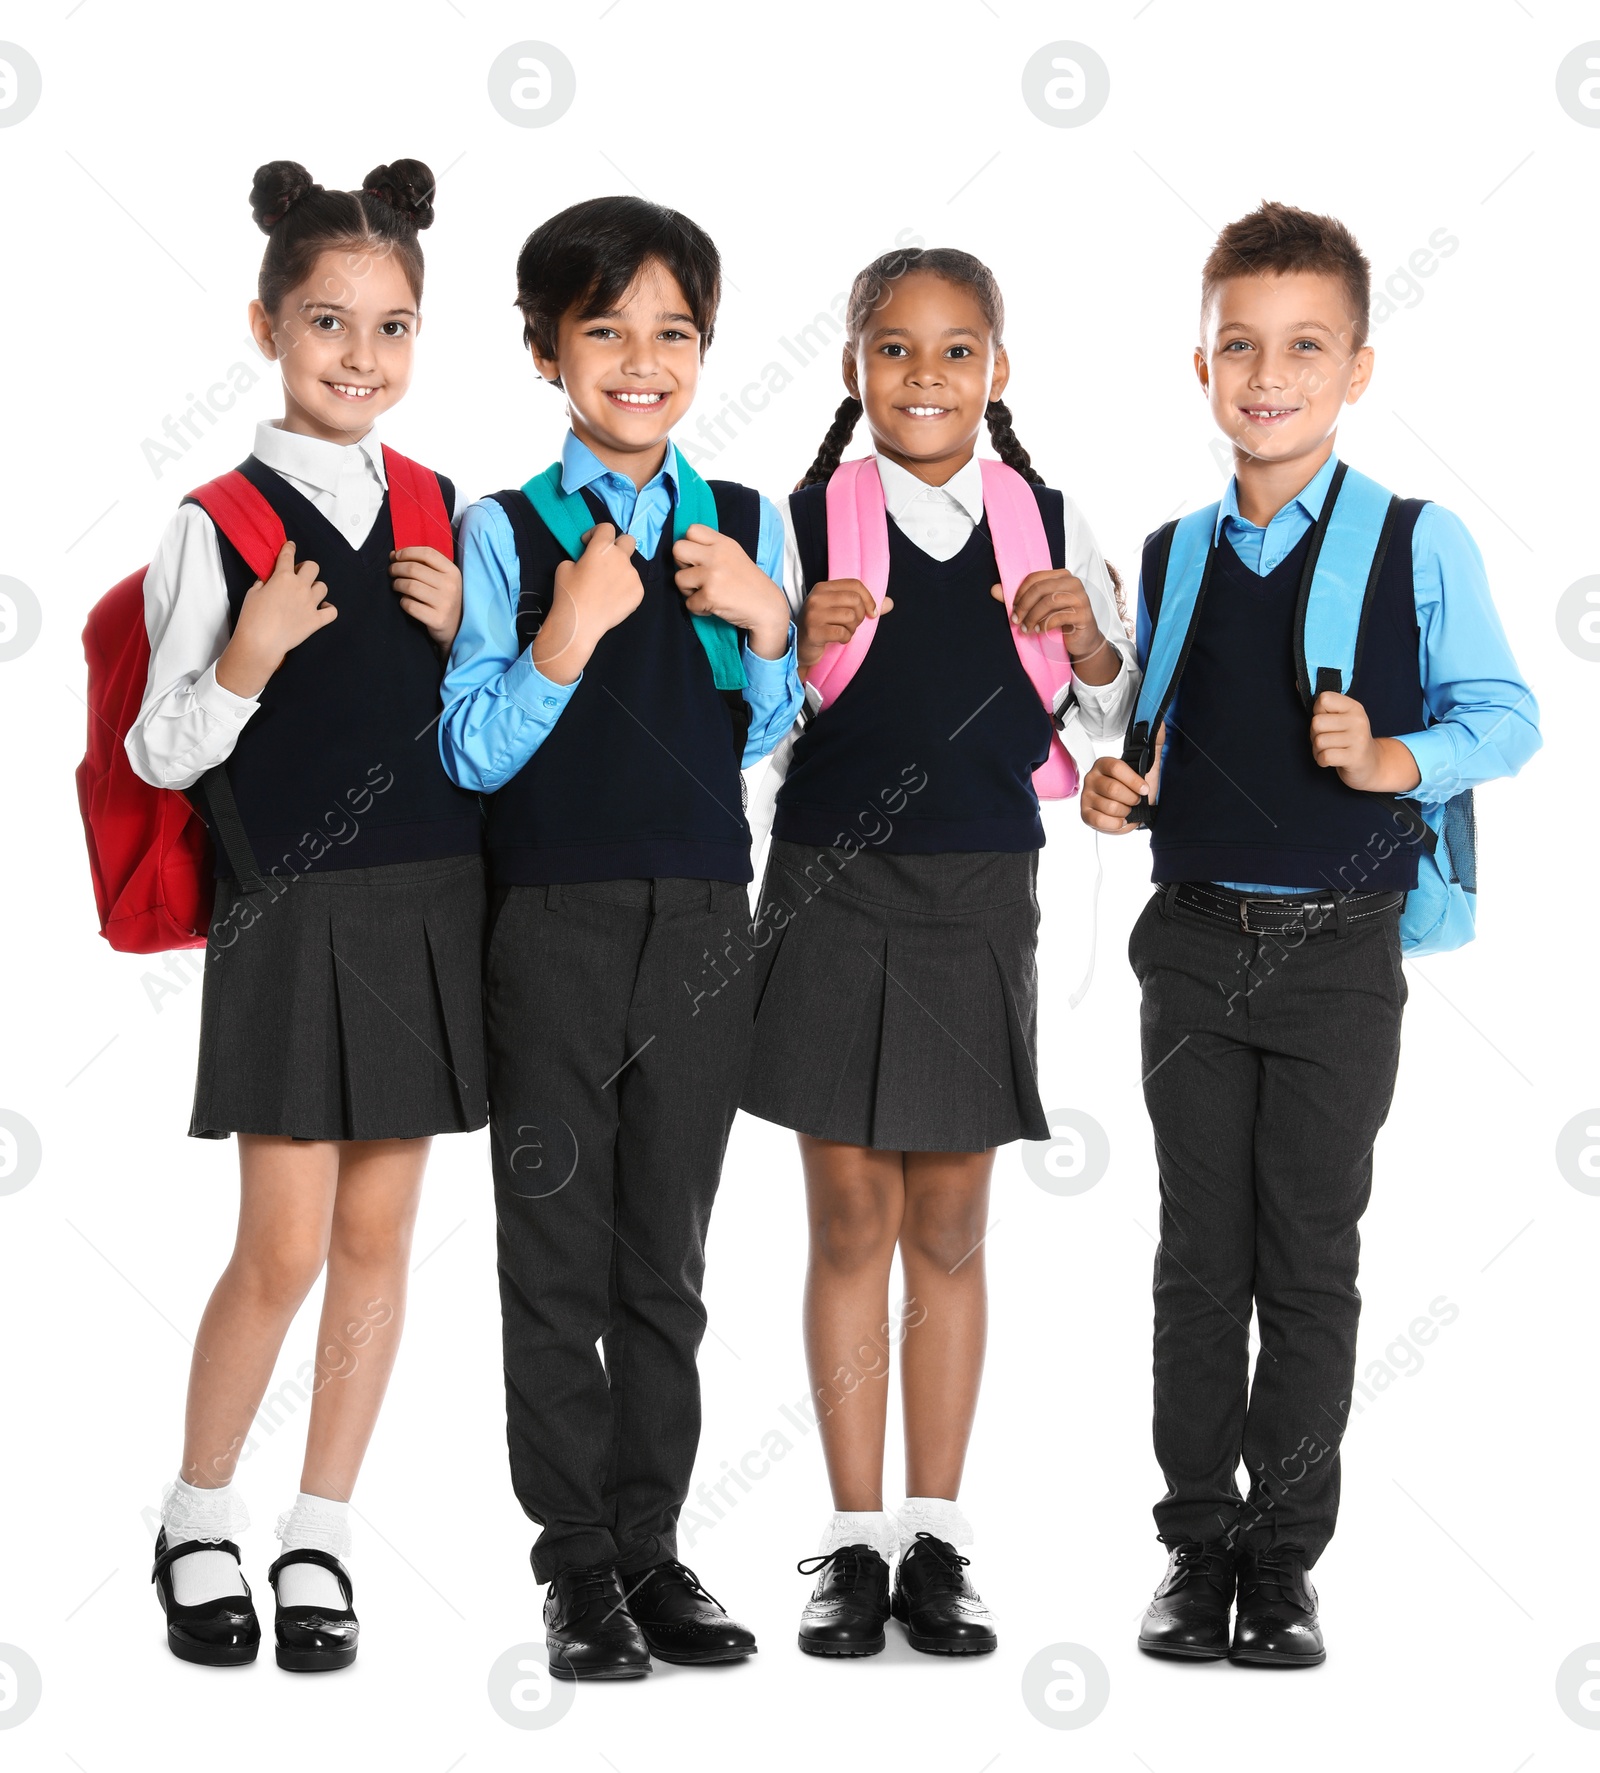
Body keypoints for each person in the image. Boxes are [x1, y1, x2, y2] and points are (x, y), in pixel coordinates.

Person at [1081, 200, 1541, 1667]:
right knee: (1196, 1259)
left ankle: (1283, 1564)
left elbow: (1510, 717)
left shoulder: (1418, 541)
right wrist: (1118, 780)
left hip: (1343, 950)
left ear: (1357, 368)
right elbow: (1154, 722)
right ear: (1201, 364)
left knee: (1311, 1256)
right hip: (1194, 944)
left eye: (1303, 348)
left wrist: (1395, 757)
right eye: (1240, 347)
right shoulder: (1173, 552)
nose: (1266, 375)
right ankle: (1195, 1549)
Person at [741, 246, 1134, 1657]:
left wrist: (1090, 640)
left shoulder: (1058, 522)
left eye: (956, 350)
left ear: (998, 370)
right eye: (893, 350)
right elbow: (748, 733)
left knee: (952, 1227)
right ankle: (854, 1544)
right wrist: (793, 645)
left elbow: (1111, 727)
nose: (924, 376)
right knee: (851, 1218)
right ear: (854, 369)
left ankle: (939, 1536)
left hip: (979, 891)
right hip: (828, 886)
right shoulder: (797, 523)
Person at [127, 159, 485, 1672]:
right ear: (266, 324)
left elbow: (477, 729)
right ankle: (197, 1511)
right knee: (279, 1244)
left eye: (392, 325)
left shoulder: (439, 506)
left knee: (382, 1238)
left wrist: (470, 632)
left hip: (427, 904)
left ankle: (321, 1526)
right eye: (328, 321)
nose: (360, 355)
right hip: (290, 909)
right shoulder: (213, 522)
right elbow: (160, 750)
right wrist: (253, 655)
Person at [438, 196, 803, 1680]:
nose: (641, 360)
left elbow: (770, 736)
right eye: (606, 330)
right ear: (545, 351)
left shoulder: (749, 524)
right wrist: (565, 633)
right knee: (555, 1256)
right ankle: (574, 1565)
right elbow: (470, 749)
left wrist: (770, 626)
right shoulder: (506, 529)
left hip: (708, 922)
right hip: (551, 927)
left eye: (673, 332)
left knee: (669, 1258)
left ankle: (652, 1548)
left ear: (704, 350)